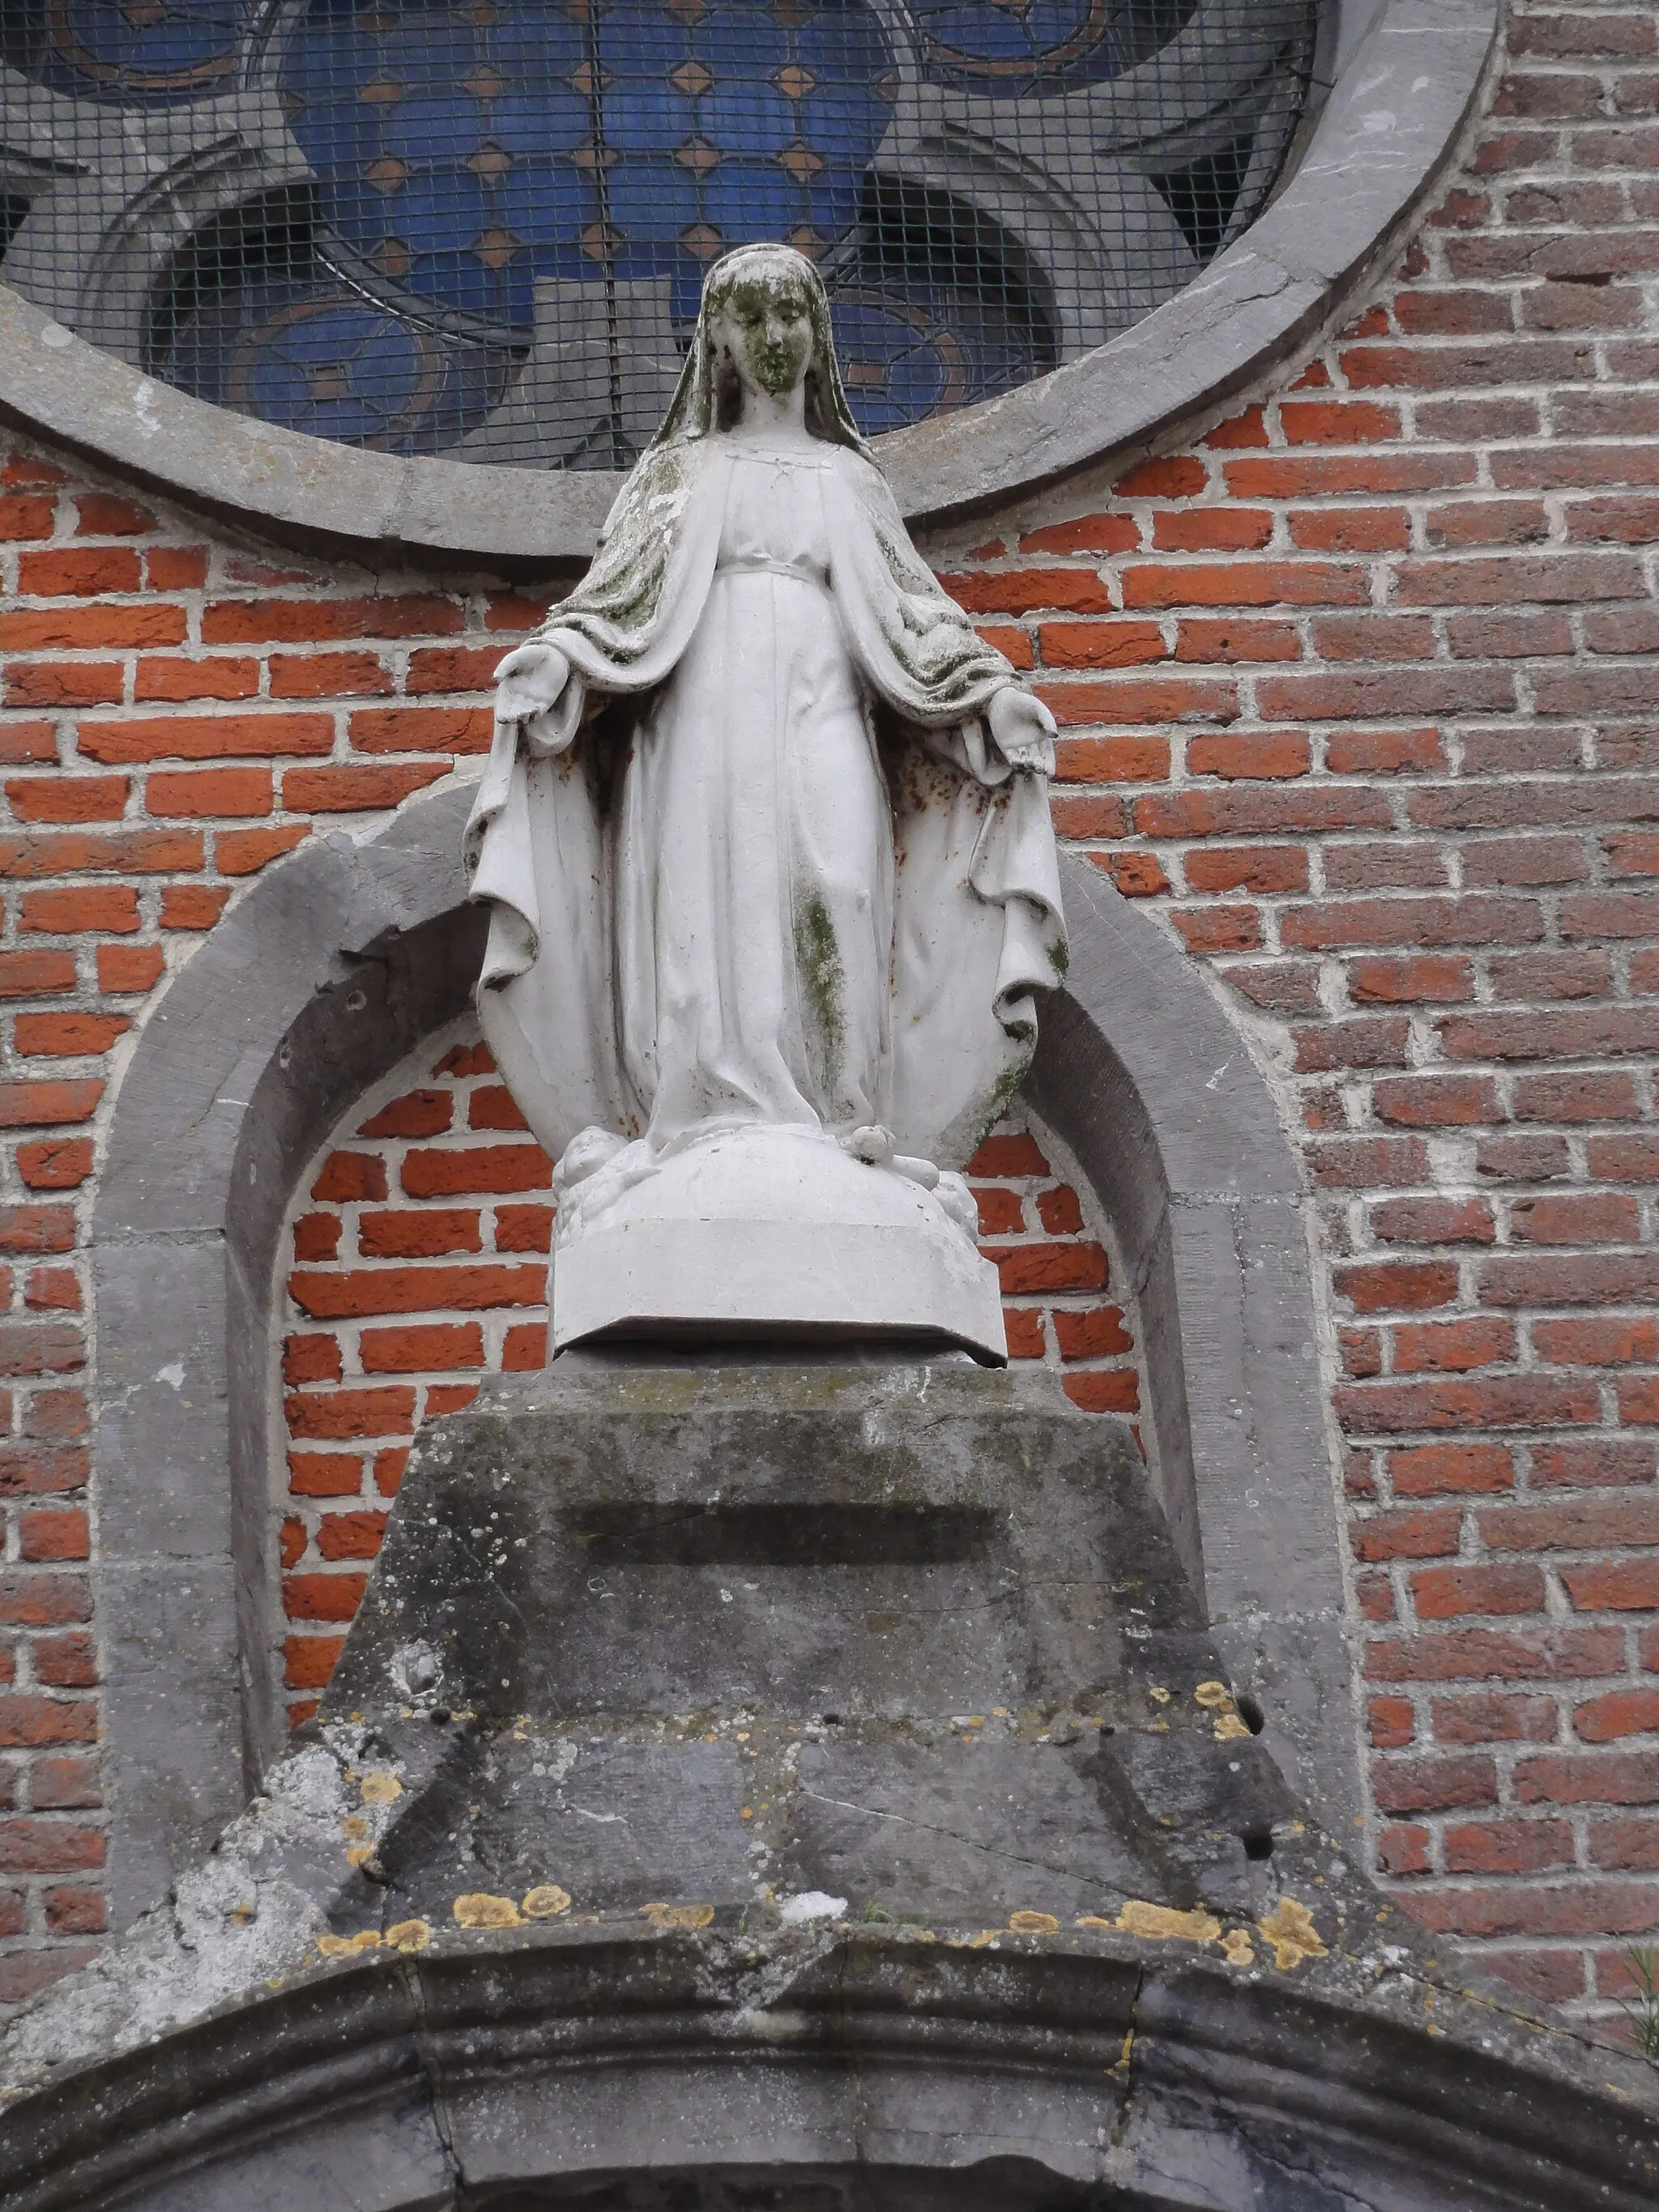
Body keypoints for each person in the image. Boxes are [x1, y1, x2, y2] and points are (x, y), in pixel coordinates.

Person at [466, 240, 1065, 1291]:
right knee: (707, 909)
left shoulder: (847, 480)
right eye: (754, 319)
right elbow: (613, 606)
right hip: (702, 714)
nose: (776, 337)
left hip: (823, 707)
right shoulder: (681, 474)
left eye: (793, 316)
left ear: (818, 338)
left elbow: (916, 617)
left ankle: (838, 1119)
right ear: (719, 344)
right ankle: (710, 1119)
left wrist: (991, 695)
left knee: (831, 889)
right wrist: (553, 664)